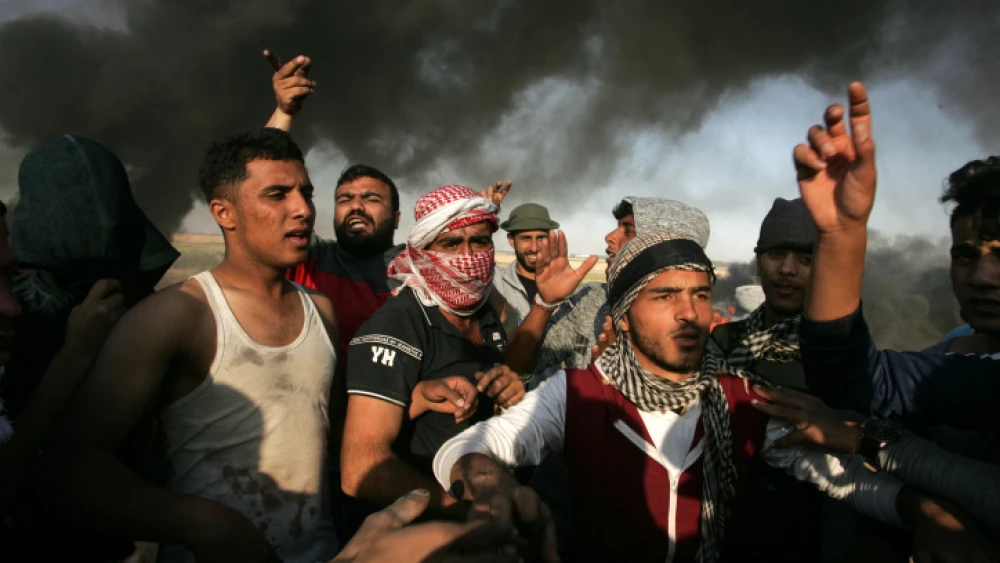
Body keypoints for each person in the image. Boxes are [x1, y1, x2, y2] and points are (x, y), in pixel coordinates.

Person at [431, 220, 972, 563]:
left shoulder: (742, 399)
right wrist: (486, 482)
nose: (688, 314)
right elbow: (473, 445)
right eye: (664, 296)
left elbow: (843, 479)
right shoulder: (577, 394)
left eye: (700, 294)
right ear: (621, 313)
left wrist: (922, 509)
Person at [44, 128, 342, 562]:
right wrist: (202, 523)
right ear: (225, 212)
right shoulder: (179, 314)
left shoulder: (322, 311)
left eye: (306, 192)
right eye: (277, 194)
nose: (303, 209)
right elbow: (70, 465)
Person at [340, 185, 592, 524]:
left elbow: (508, 370)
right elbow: (360, 471)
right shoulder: (396, 326)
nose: (469, 254)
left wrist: (510, 384)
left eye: (479, 241)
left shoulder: (483, 312)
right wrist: (465, 514)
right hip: (425, 532)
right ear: (424, 250)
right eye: (451, 243)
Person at [793, 83, 1000, 433]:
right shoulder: (953, 352)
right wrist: (841, 232)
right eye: (965, 256)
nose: (981, 276)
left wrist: (876, 444)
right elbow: (857, 382)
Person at [531, 196, 709, 379]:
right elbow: (519, 367)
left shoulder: (695, 328)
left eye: (628, 231)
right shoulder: (591, 299)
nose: (609, 237)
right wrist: (545, 304)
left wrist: (607, 379)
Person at [493, 203, 560, 325]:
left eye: (540, 238)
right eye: (526, 238)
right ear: (511, 240)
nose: (534, 247)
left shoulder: (564, 286)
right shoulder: (496, 284)